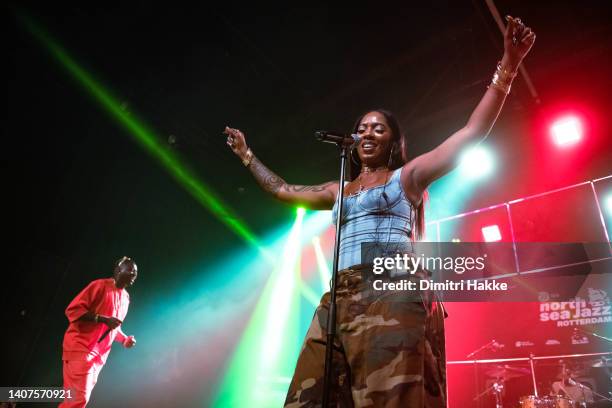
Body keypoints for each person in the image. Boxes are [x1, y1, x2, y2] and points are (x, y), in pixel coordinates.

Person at [223, 15, 535, 408]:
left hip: (391, 289)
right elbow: (283, 190)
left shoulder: (407, 177)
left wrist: (508, 66)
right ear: (352, 143)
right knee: (309, 395)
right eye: (362, 128)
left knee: (389, 399)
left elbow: (470, 134)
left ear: (393, 143)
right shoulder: (340, 189)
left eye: (378, 129)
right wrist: (248, 157)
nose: (367, 133)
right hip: (339, 295)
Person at [59, 256, 138, 408]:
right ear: (118, 269)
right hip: (81, 349)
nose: (134, 274)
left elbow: (114, 327)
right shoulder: (100, 285)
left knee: (74, 401)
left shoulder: (126, 298)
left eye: (135, 272)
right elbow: (73, 310)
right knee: (78, 400)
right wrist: (102, 319)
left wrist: (124, 340)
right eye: (131, 270)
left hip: (98, 358)